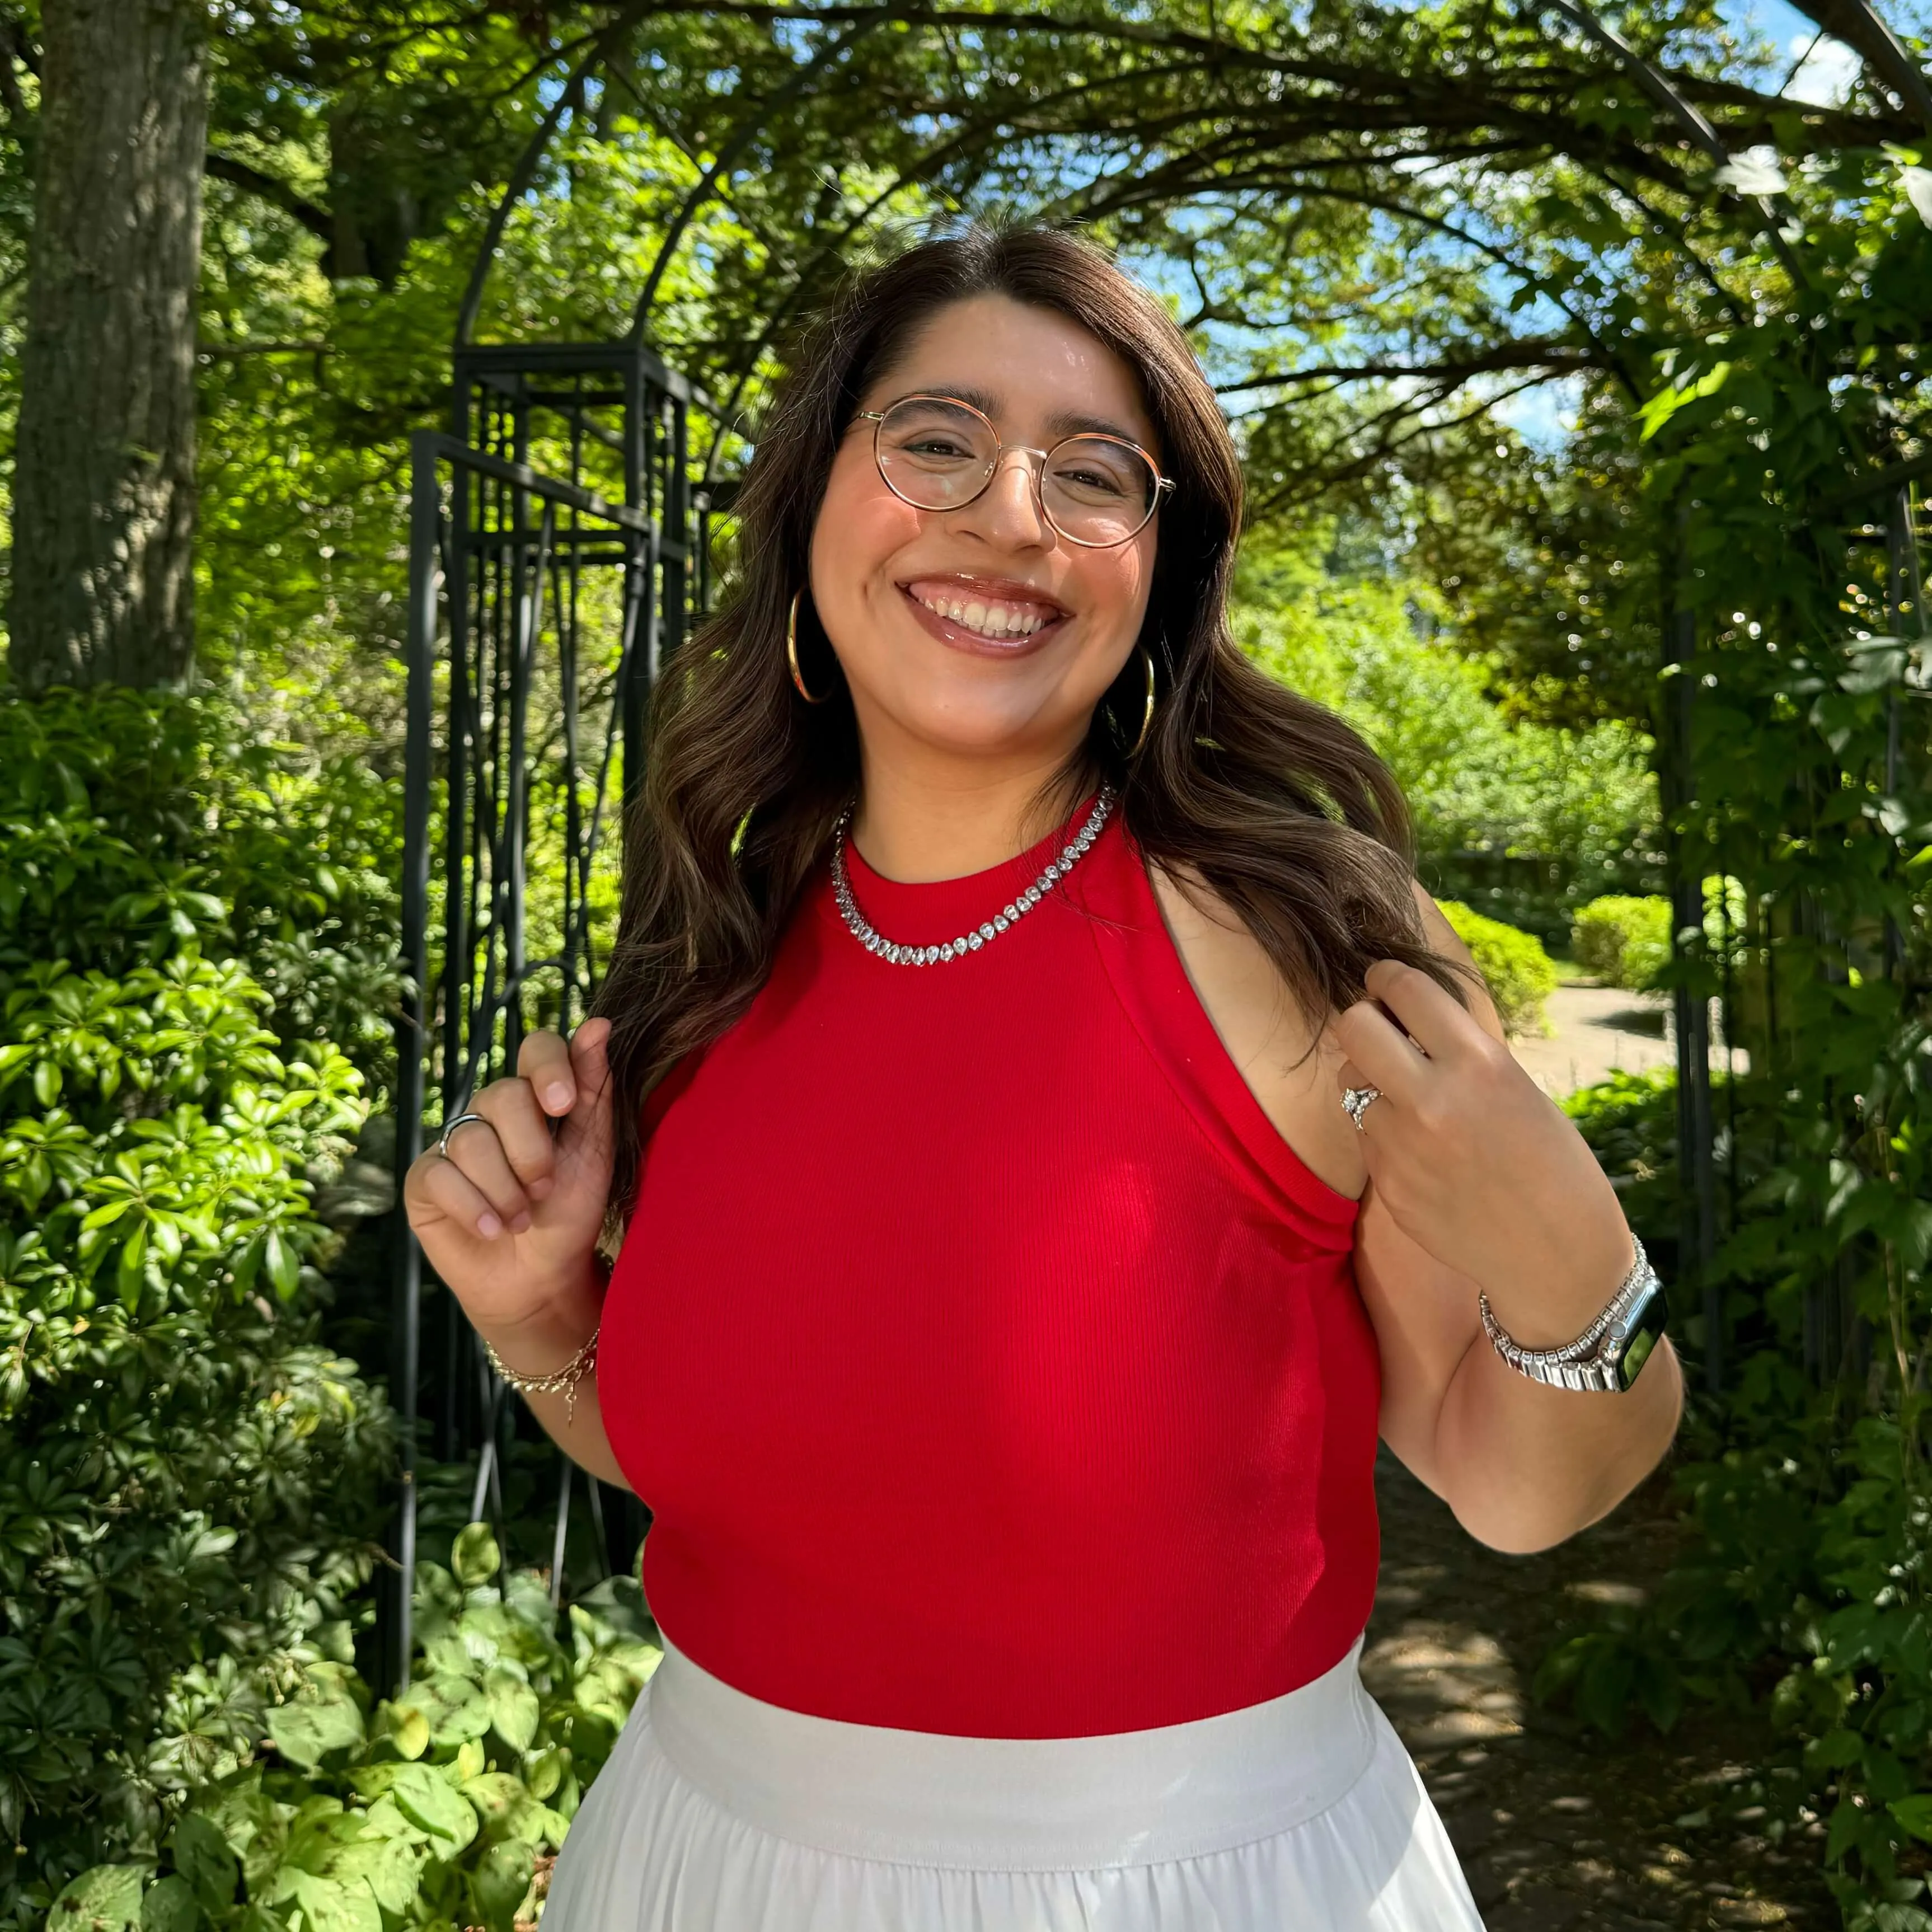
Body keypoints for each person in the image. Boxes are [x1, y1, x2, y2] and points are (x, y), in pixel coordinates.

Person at [402, 220, 1683, 1930]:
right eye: (933, 437)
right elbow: (749, 1485)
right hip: (700, 1855)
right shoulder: (709, 953)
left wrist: (1570, 1255)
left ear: (1160, 564)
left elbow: (1524, 1491)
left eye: (1096, 472)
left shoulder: (1303, 942)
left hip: (1192, 1887)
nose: (1009, 514)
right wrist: (537, 1319)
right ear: (808, 506)